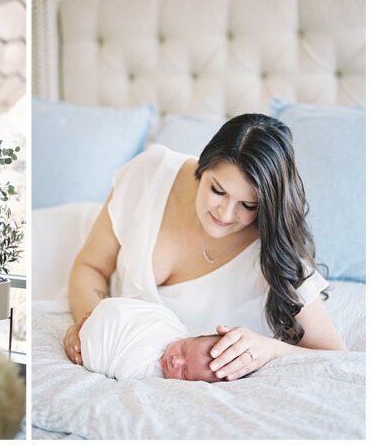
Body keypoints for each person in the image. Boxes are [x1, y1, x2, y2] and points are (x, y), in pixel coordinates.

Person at [64, 114, 346, 383]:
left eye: (248, 205)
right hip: (63, 235)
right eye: (217, 190)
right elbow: (91, 266)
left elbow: (337, 358)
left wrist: (270, 349)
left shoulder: (274, 257)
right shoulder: (151, 173)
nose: (225, 213)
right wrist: (92, 326)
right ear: (204, 164)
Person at [79, 297, 220, 382]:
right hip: (110, 313)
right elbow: (150, 314)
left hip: (100, 346)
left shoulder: (150, 378)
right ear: (191, 338)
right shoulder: (172, 327)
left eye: (184, 373)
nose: (175, 361)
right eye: (183, 349)